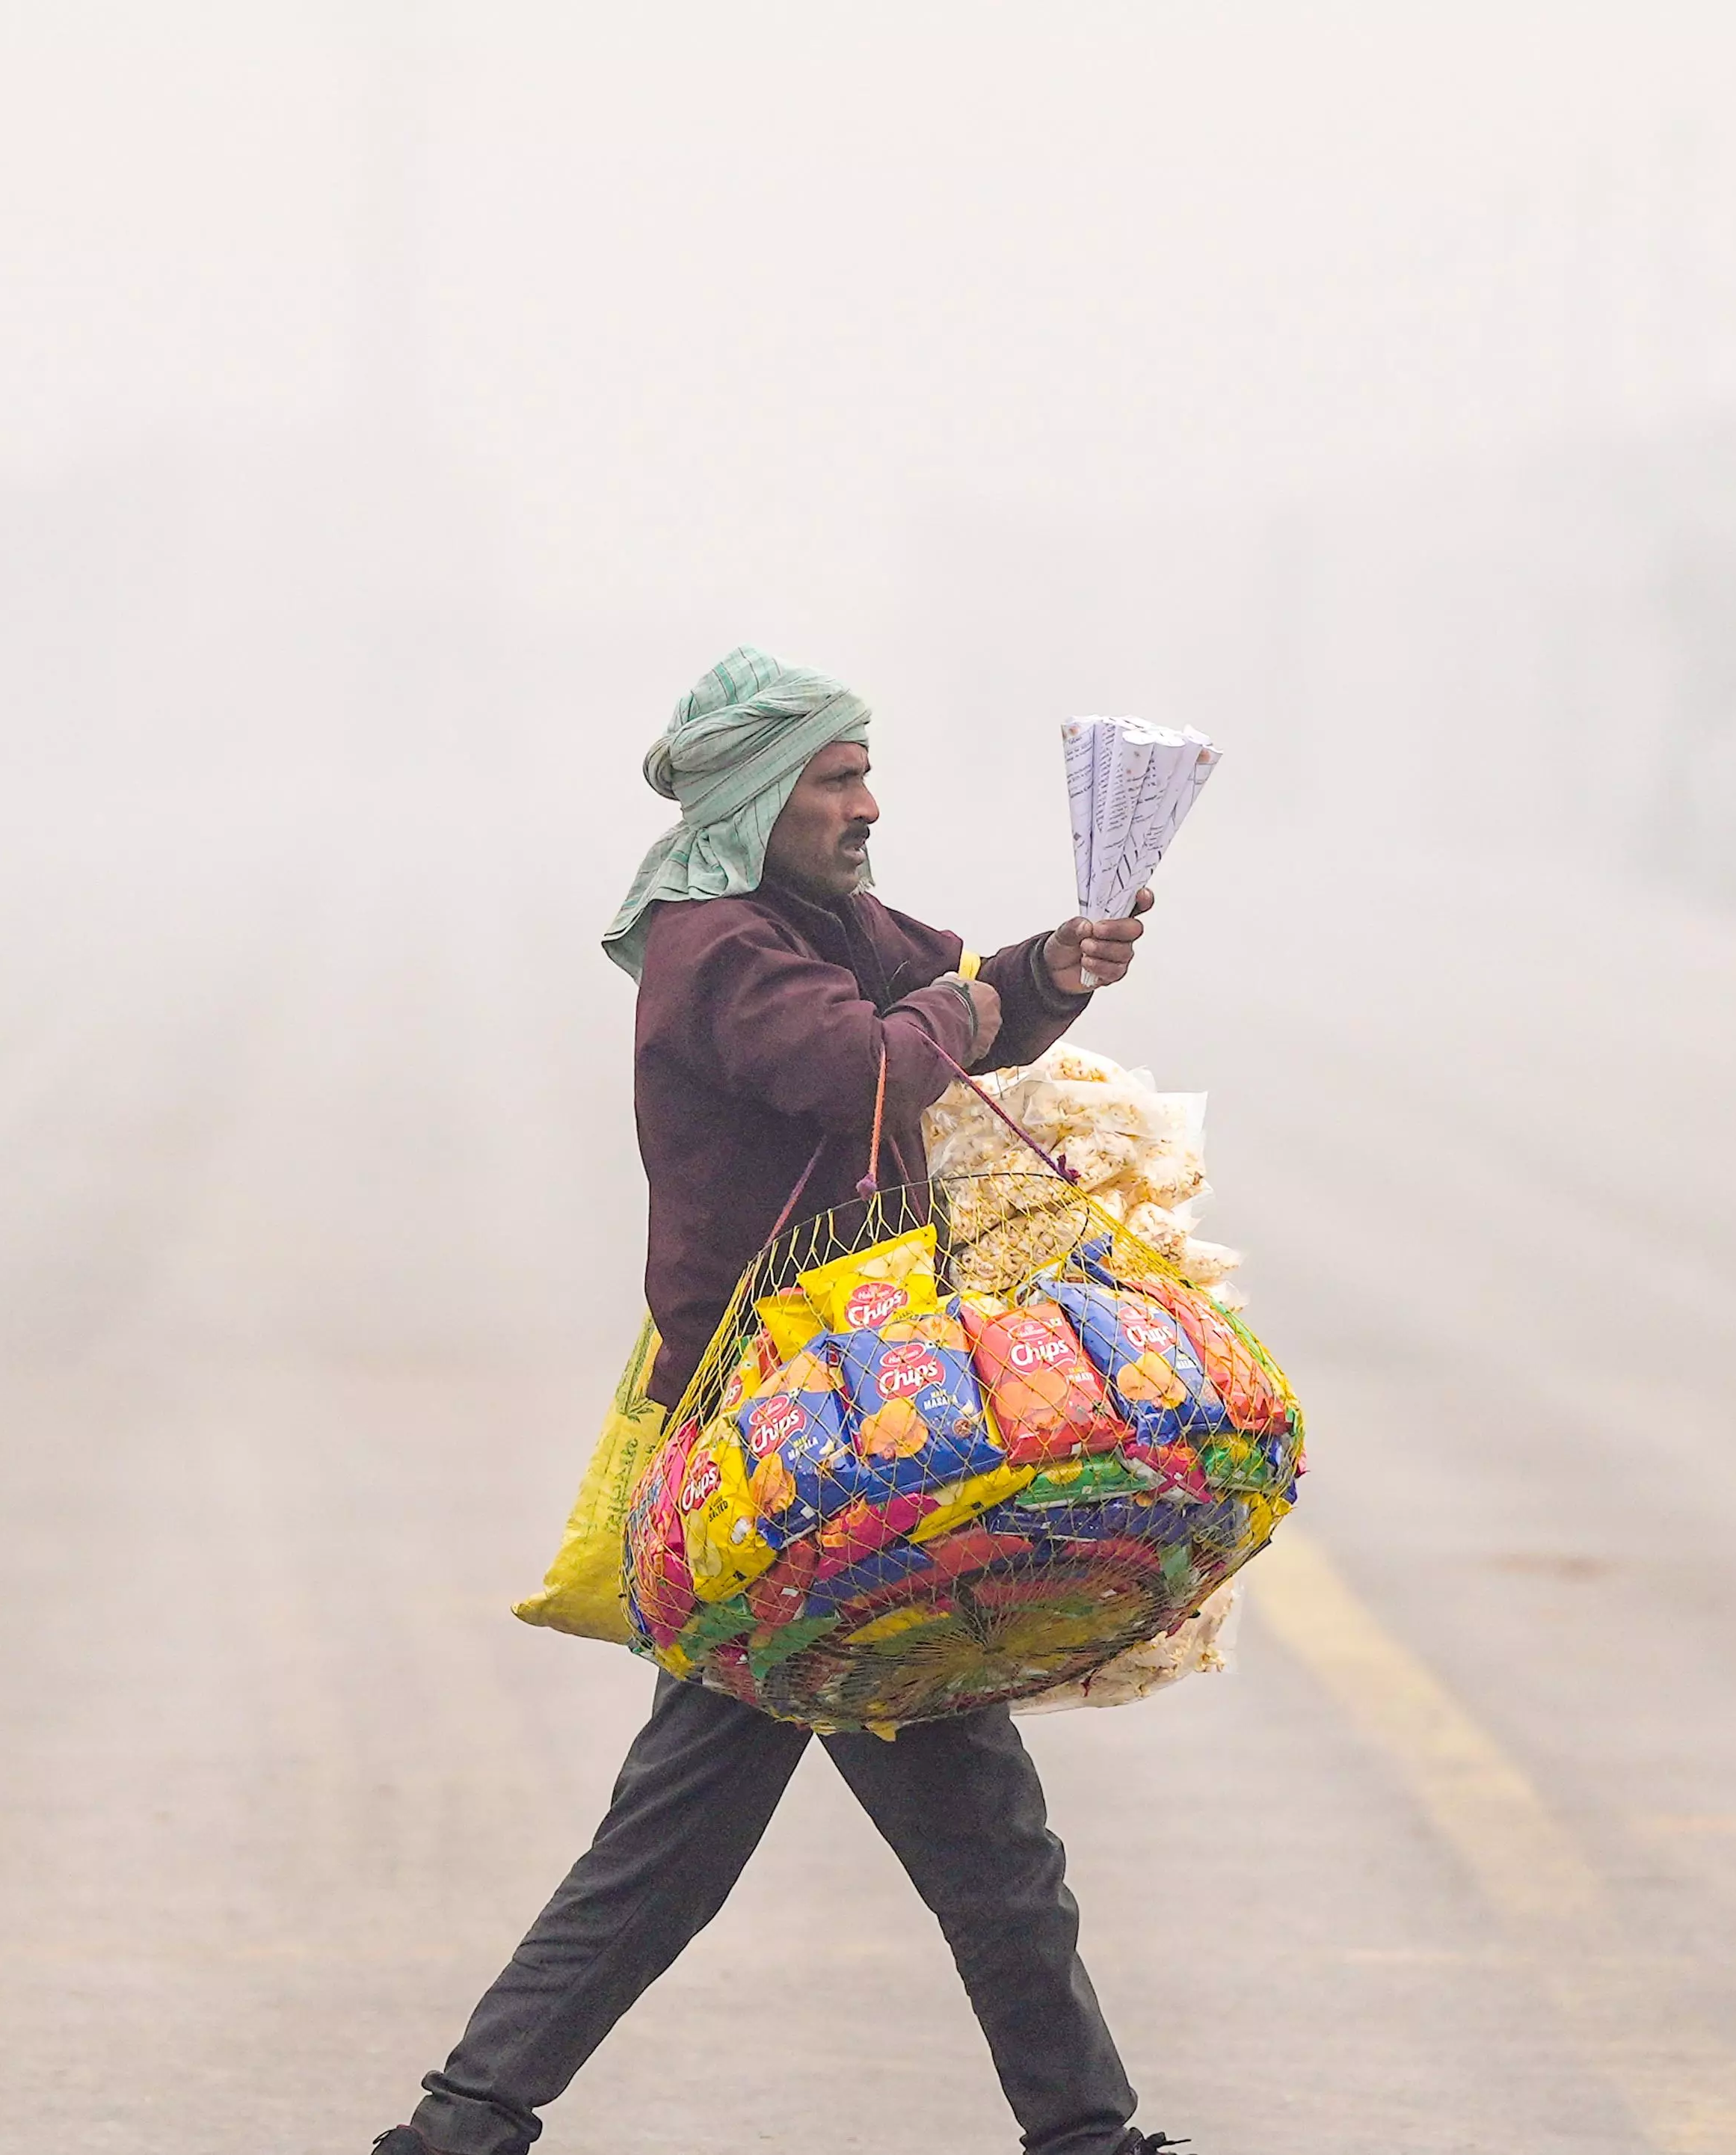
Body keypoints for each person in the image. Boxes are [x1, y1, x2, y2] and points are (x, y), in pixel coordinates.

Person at [372, 649, 1184, 2155]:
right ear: (760, 798)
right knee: (770, 1841)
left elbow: (959, 1006)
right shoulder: (719, 946)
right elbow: (865, 1069)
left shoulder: (816, 923)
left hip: (852, 1450)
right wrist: (950, 1008)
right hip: (783, 1462)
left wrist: (1051, 969)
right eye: (837, 779)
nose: (867, 805)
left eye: (868, 773)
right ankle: (459, 2127)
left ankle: (1084, 2134)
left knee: (918, 1837)